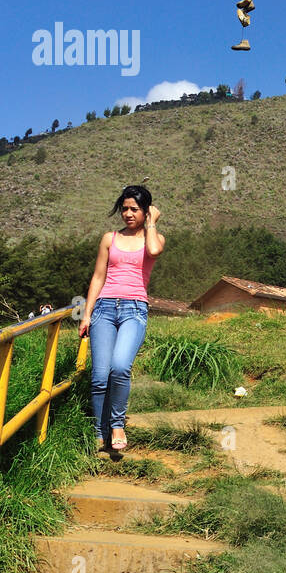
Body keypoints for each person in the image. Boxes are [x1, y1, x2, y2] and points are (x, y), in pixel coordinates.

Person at [78, 185, 165, 454]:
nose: (128, 214)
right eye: (124, 208)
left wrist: (152, 222)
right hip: (104, 308)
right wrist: (87, 314)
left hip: (134, 309)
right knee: (100, 376)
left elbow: (153, 251)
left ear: (146, 212)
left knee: (120, 367)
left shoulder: (155, 238)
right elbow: (98, 277)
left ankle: (116, 425)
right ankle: (98, 431)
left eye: (135, 209)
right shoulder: (109, 238)